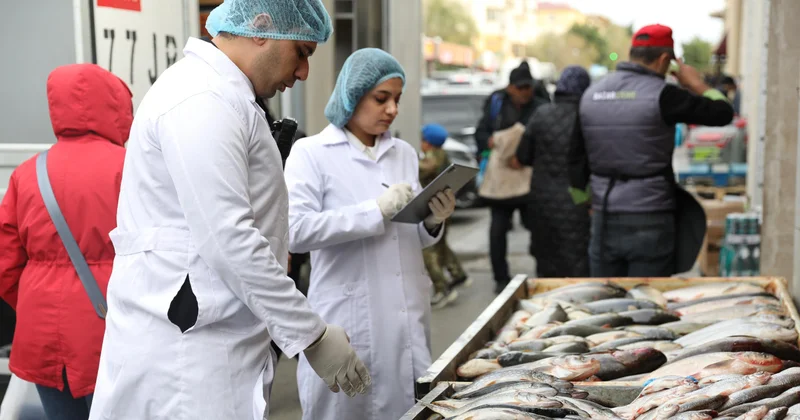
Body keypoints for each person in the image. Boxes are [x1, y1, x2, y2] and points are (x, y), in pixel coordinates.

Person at [89, 2, 371, 419]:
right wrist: (310, 335)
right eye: (302, 52)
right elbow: (229, 237)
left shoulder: (224, 95)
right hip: (187, 359)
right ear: (261, 28)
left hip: (209, 342)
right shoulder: (202, 98)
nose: (303, 72)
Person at [285, 48, 457, 420]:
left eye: (397, 99)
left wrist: (432, 221)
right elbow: (295, 232)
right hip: (349, 321)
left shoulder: (404, 154)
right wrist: (373, 211)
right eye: (381, 98)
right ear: (352, 94)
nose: (392, 109)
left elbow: (409, 236)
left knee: (410, 410)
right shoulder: (311, 153)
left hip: (406, 319)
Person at [0, 63, 132, 420]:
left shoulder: (28, 172)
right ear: (116, 105)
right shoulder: (130, 166)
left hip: (41, 335)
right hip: (112, 328)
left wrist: (34, 301)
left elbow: (6, 264)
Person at [579, 24, 734, 277]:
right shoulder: (664, 95)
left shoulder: (591, 93)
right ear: (665, 59)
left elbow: (577, 155)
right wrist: (695, 82)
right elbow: (723, 112)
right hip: (650, 214)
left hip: (603, 213)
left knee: (605, 298)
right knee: (647, 299)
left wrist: (587, 202)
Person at [475, 63, 548, 293]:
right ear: (510, 88)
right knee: (498, 231)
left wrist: (525, 158)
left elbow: (547, 140)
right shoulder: (496, 104)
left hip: (529, 179)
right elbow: (481, 132)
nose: (525, 91)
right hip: (501, 181)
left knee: (538, 229)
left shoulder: (541, 106)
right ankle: (500, 278)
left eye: (529, 86)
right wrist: (489, 142)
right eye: (521, 87)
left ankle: (543, 272)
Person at [516, 66, 592, 278]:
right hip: (577, 203)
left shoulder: (541, 114)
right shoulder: (587, 117)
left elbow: (523, 156)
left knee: (546, 260)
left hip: (542, 202)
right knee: (577, 261)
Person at [419, 123, 470, 309]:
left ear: (428, 143)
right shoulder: (443, 155)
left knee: (428, 253)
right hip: (442, 208)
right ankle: (458, 274)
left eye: (422, 140)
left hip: (433, 210)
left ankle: (442, 289)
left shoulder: (432, 157)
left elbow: (421, 169)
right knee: (441, 246)